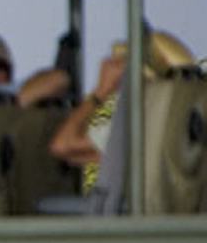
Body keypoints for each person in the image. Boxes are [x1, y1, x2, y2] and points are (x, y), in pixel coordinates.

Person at [48, 30, 198, 167]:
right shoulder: (182, 118)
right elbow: (78, 155)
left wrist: (101, 92)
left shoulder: (143, 121)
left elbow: (62, 145)